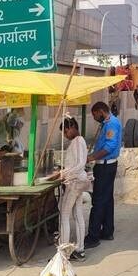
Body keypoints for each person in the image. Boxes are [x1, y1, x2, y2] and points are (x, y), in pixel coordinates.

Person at [47, 117, 90, 261]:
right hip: (77, 181)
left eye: (65, 132)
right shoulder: (78, 141)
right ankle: (80, 249)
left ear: (71, 127)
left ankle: (63, 252)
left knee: (64, 214)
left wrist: (62, 174)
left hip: (75, 182)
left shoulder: (78, 141)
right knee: (78, 214)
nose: (65, 135)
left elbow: (79, 164)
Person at [85, 102, 122, 249]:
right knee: (107, 199)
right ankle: (107, 230)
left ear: (101, 111)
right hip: (105, 164)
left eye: (95, 115)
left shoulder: (112, 123)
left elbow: (109, 146)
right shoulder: (107, 123)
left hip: (105, 165)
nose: (95, 118)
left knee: (98, 201)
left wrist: (92, 157)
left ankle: (93, 237)